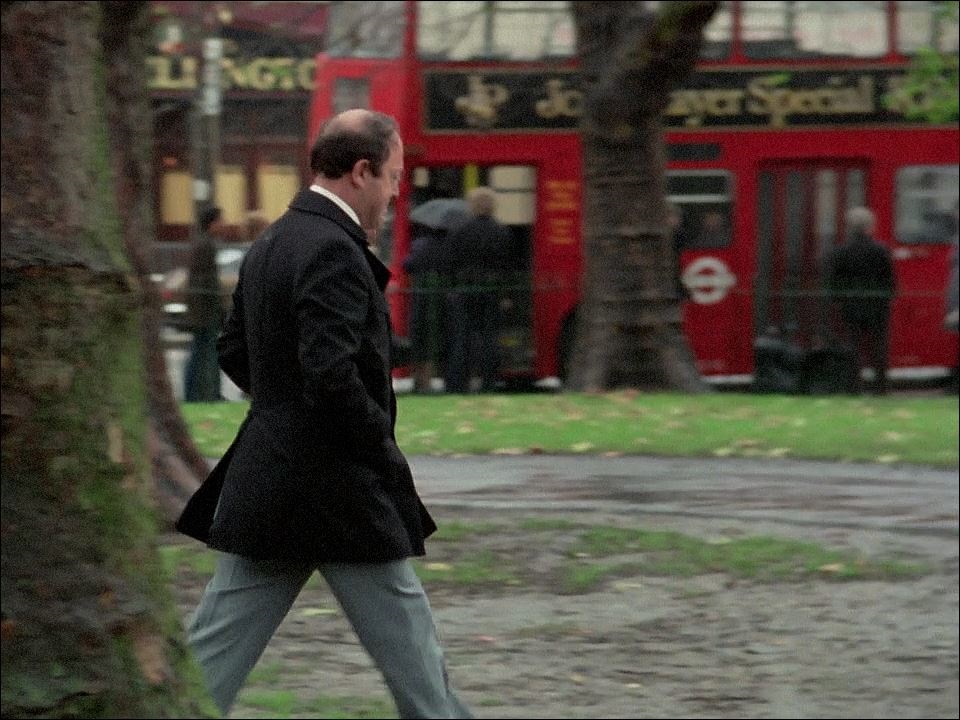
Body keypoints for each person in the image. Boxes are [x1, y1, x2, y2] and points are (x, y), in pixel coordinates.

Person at [175, 109, 472, 719]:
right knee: (416, 661)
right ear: (361, 172)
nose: (396, 193)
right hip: (342, 489)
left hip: (271, 484)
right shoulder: (334, 249)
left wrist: (281, 412)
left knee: (212, 655)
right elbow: (331, 375)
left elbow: (235, 349)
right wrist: (379, 445)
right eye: (393, 177)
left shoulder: (273, 241)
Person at [440, 186, 510, 393]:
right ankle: (488, 382)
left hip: (464, 288)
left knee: (461, 337)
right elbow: (507, 264)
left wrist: (451, 286)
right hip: (491, 289)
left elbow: (449, 261)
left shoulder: (460, 230)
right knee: (489, 337)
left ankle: (459, 383)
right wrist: (505, 294)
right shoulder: (501, 231)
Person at [826, 206, 896, 395]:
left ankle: (853, 386)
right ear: (870, 227)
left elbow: (834, 282)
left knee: (853, 346)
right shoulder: (881, 250)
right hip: (877, 306)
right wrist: (887, 298)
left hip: (851, 306)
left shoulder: (841, 252)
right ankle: (880, 387)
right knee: (878, 347)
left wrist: (839, 300)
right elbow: (890, 280)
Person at [183, 205, 225, 402]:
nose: (223, 224)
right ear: (211, 223)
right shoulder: (205, 245)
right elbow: (203, 282)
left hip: (203, 312)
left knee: (202, 353)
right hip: (205, 313)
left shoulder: (204, 243)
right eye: (220, 221)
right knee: (203, 354)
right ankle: (201, 394)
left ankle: (204, 393)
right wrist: (212, 307)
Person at [403, 222, 446, 393]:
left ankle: (418, 380)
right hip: (438, 300)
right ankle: (427, 381)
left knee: (418, 338)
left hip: (419, 298)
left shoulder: (418, 245)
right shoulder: (444, 246)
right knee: (432, 340)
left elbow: (407, 265)